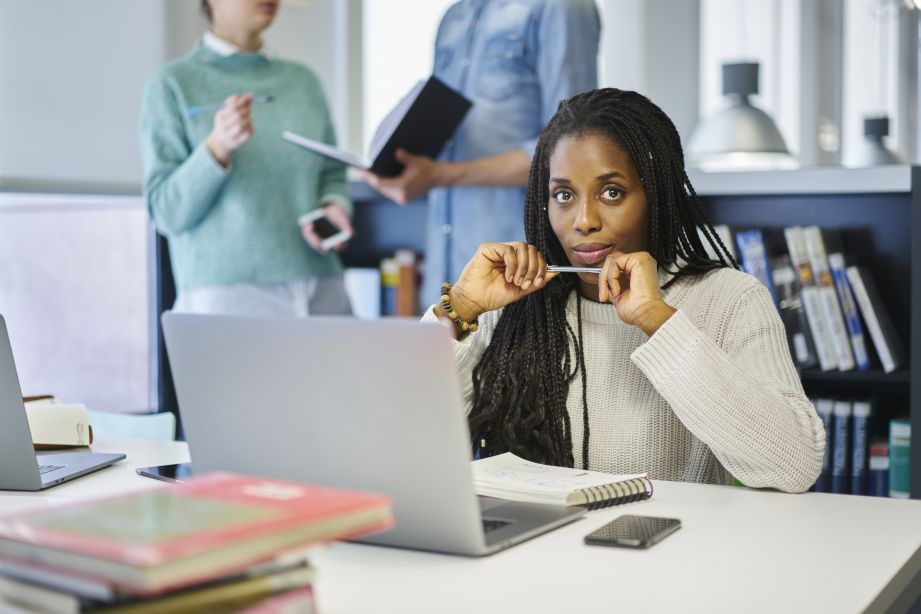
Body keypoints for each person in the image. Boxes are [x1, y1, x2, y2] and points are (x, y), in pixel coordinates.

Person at [424, 88, 825, 494]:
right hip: (528, 553)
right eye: (564, 195)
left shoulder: (730, 299)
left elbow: (793, 466)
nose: (583, 221)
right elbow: (404, 439)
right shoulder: (511, 301)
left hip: (669, 553)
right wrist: (460, 308)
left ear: (656, 196)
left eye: (611, 192)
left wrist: (657, 319)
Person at [363, 0, 601, 306]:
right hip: (446, 278)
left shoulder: (562, 7)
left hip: (518, 274)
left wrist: (439, 176)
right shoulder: (455, 16)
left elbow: (571, 148)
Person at [139, 0, 353, 317]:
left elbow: (331, 175)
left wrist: (334, 205)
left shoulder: (303, 82)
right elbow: (166, 211)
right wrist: (215, 148)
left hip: (322, 289)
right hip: (225, 299)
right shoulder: (172, 84)